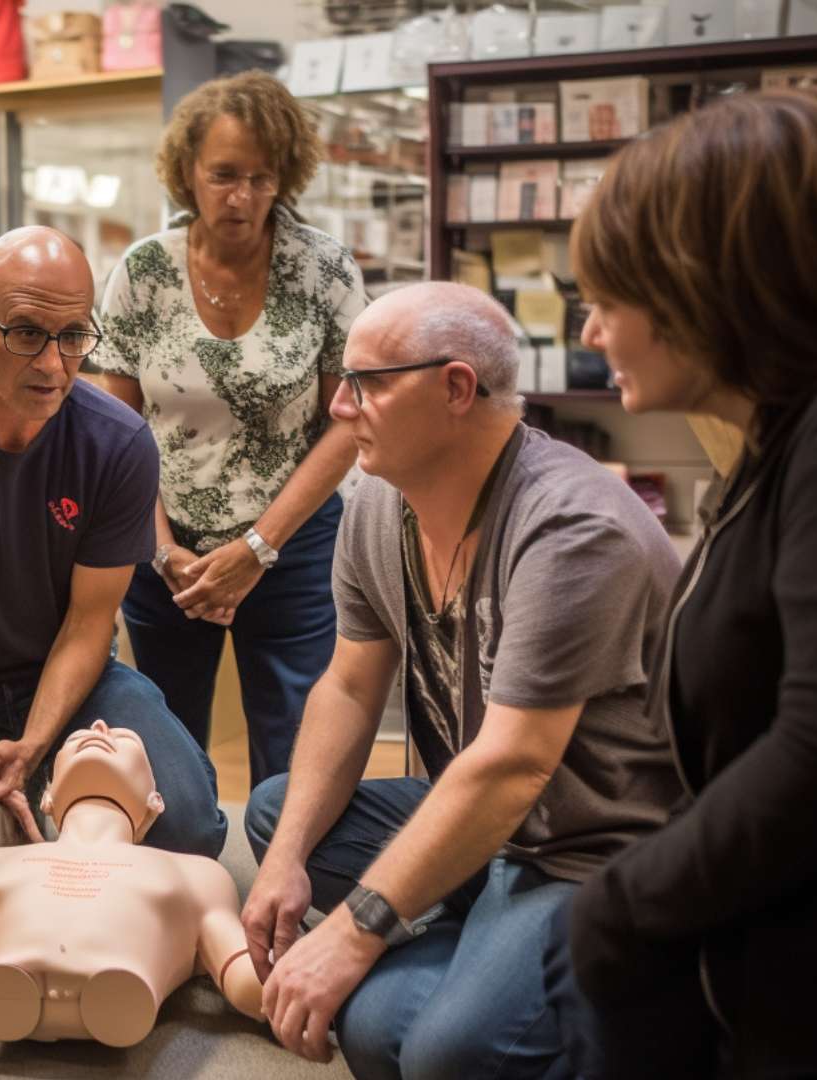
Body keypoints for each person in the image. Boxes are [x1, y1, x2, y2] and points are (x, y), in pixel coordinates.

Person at [240, 282, 684, 1078]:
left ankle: (518, 970)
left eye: (367, 383)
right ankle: (474, 936)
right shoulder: (378, 505)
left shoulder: (571, 528)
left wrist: (355, 931)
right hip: (494, 826)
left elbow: (513, 765)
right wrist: (285, 863)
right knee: (281, 817)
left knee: (430, 1045)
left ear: (455, 387)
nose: (339, 407)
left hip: (590, 848)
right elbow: (347, 687)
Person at [553, 91, 817, 1078]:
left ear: (700, 287)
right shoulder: (798, 427)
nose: (592, 331)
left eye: (610, 301)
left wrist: (622, 908)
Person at [0, 226, 226, 925]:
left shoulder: (119, 442)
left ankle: (35, 818)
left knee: (191, 835)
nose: (54, 363)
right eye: (25, 333)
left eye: (74, 335)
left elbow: (90, 624)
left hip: (70, 670)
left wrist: (37, 741)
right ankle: (6, 808)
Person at [98, 70, 365, 788]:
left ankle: (295, 887)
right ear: (188, 172)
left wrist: (258, 547)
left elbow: (347, 424)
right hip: (164, 555)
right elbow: (115, 429)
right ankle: (179, 886)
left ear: (285, 177)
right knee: (165, 748)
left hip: (292, 545)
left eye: (260, 177)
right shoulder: (143, 271)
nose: (241, 197)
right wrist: (158, 549)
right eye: (222, 175)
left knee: (301, 750)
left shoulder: (324, 270)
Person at [0, 721, 266, 1049]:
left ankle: (116, 980)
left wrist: (277, 986)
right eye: (75, 740)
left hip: (126, 986)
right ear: (47, 798)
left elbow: (236, 966)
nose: (98, 726)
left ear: (154, 804)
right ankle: (20, 981)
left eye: (123, 738)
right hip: (11, 984)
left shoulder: (195, 873)